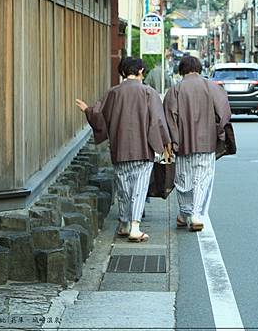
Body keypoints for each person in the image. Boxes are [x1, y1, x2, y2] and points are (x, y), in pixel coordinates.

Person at [76, 57, 171, 242]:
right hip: (143, 149)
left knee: (124, 187)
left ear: (122, 72)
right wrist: (163, 144)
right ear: (141, 70)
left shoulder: (113, 93)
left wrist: (87, 110)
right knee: (139, 188)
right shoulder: (148, 93)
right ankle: (135, 227)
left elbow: (99, 116)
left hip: (119, 149)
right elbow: (158, 121)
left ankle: (124, 223)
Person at [163, 55, 231, 231]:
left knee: (183, 179)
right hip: (207, 142)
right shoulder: (212, 87)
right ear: (199, 68)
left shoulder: (175, 90)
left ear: (181, 70)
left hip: (183, 144)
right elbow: (223, 113)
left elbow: (169, 118)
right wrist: (218, 133)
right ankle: (195, 215)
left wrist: (173, 142)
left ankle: (185, 213)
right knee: (203, 178)